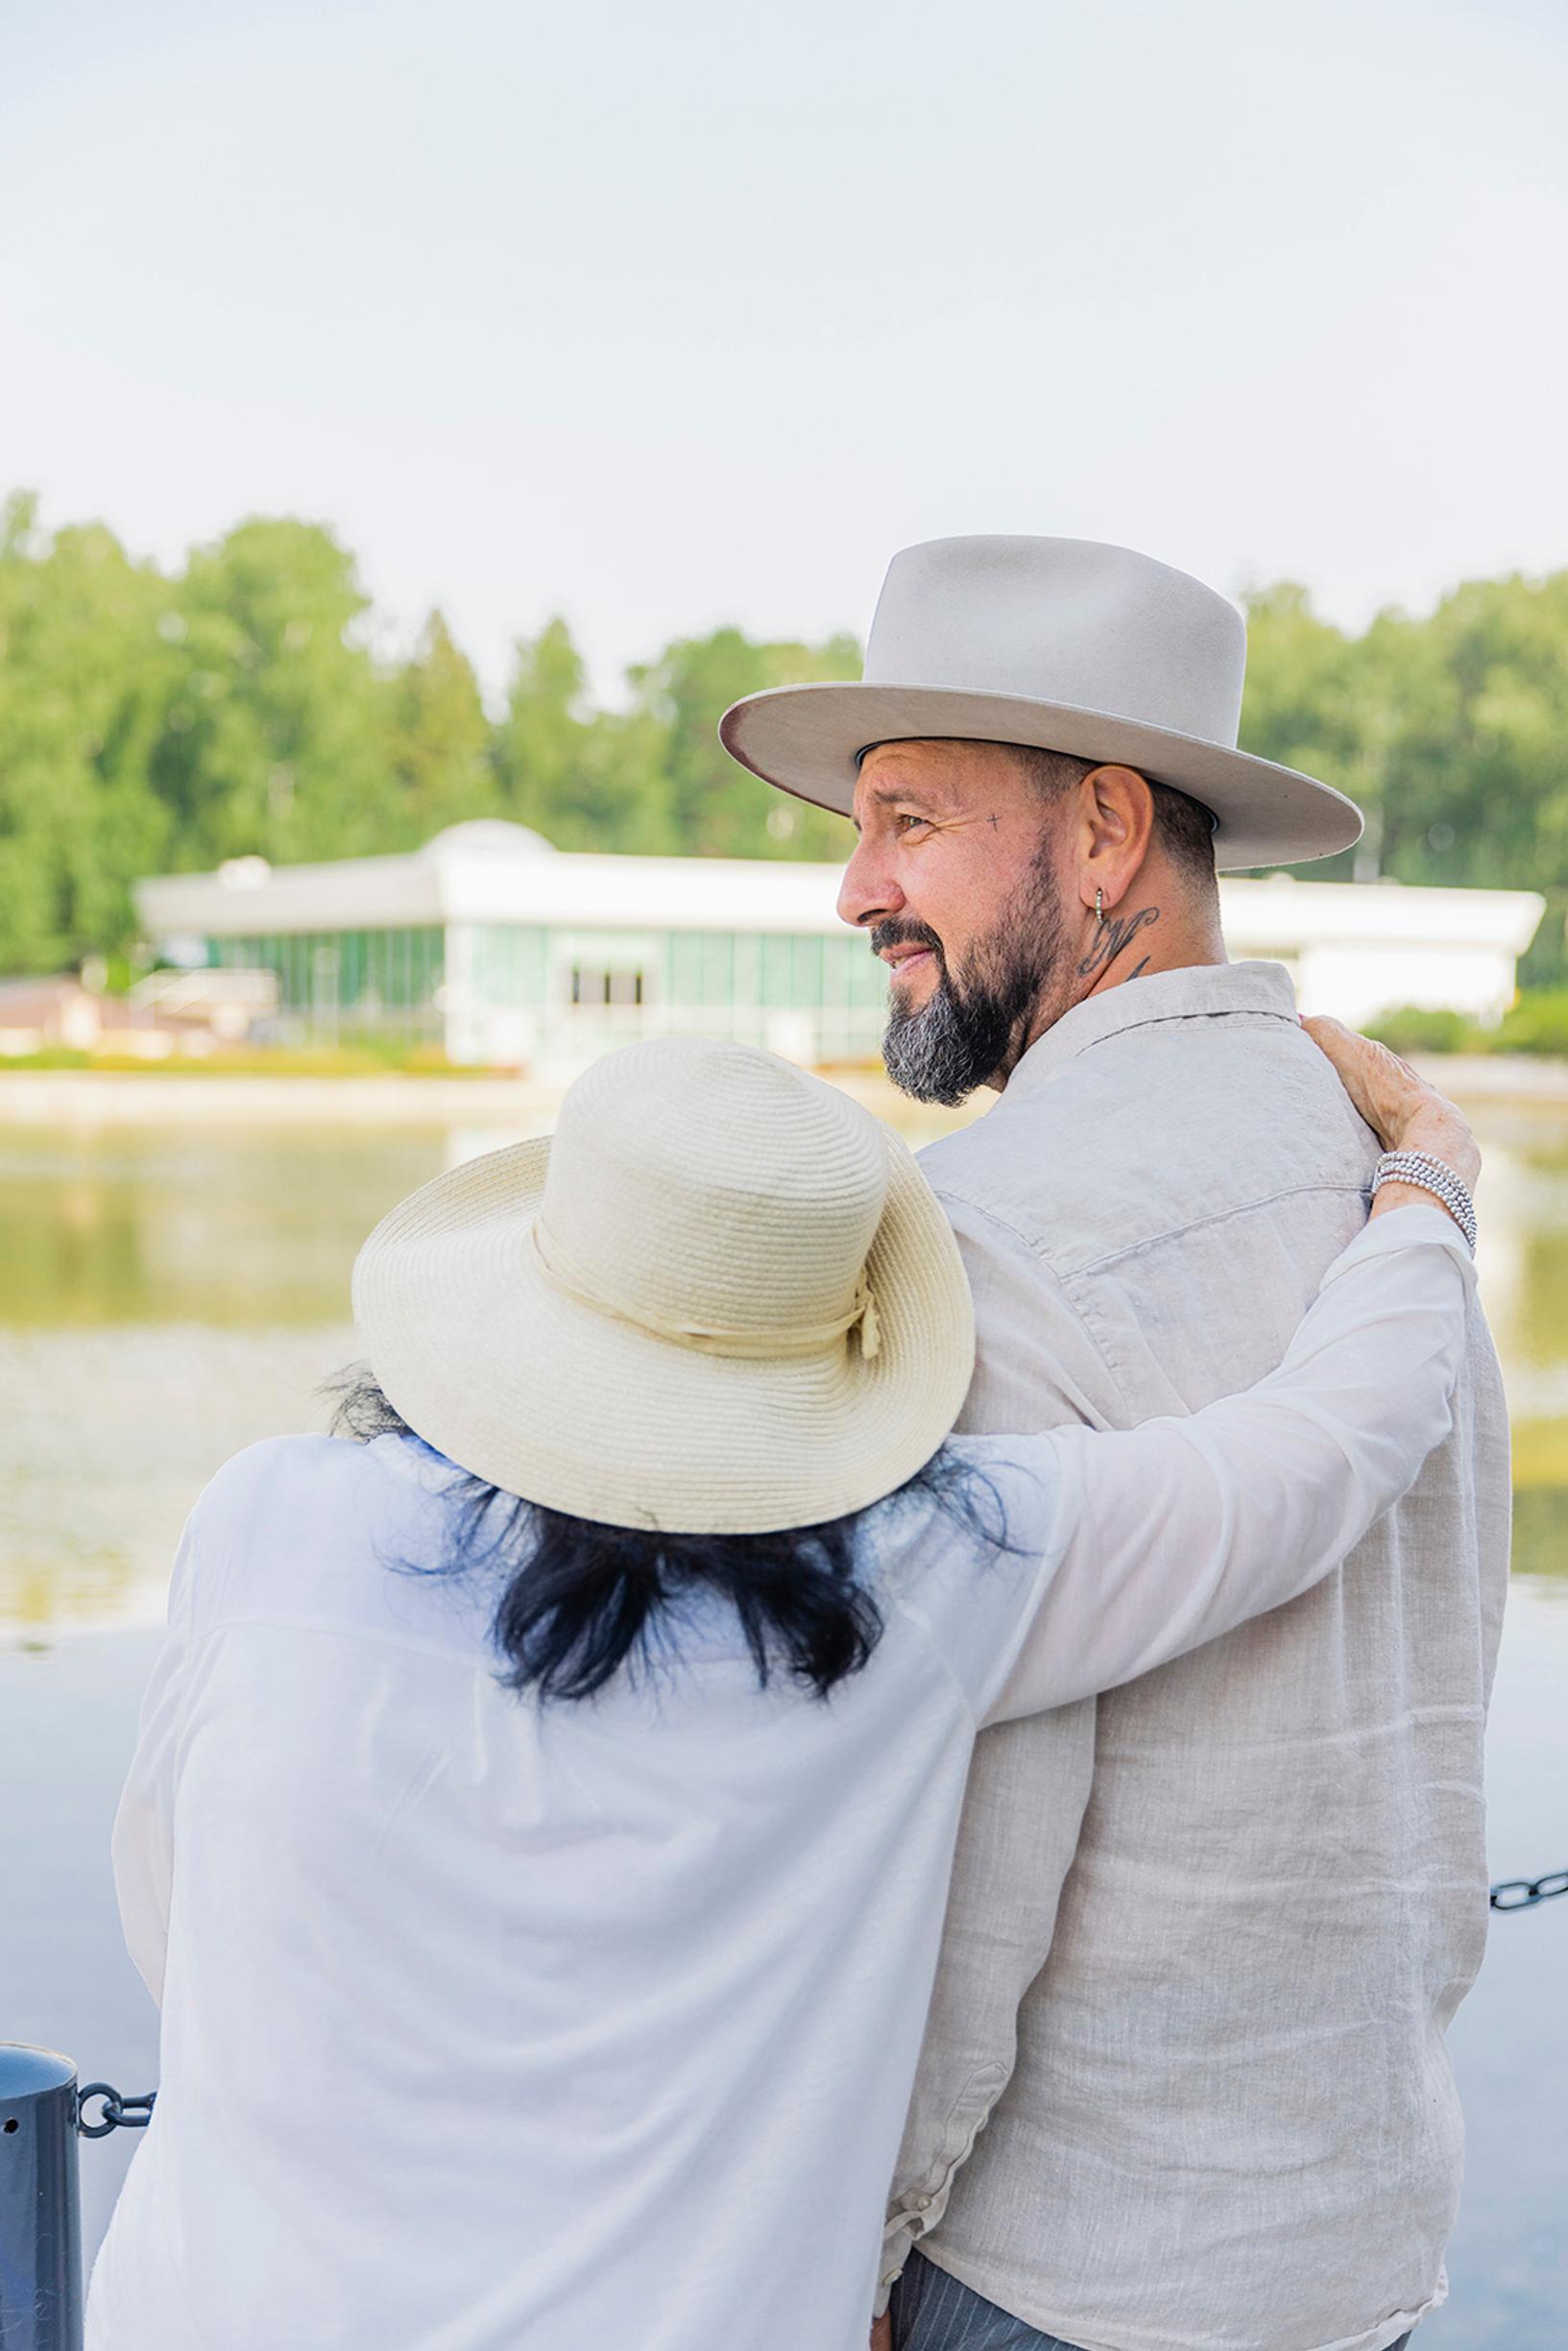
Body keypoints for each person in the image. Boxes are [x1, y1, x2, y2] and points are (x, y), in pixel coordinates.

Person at [86, 1025, 1477, 2351]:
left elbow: (173, 1916)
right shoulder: (927, 1575)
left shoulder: (269, 1518)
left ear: (518, 1288)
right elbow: (1321, 1450)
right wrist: (1422, 1185)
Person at [720, 535, 1510, 2351]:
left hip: (1062, 2269)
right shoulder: (1398, 1176)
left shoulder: (988, 1236)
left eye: (908, 821)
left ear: (1101, 833)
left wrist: (858, 2252)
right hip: (1360, 2240)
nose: (854, 888)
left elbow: (969, 1854)